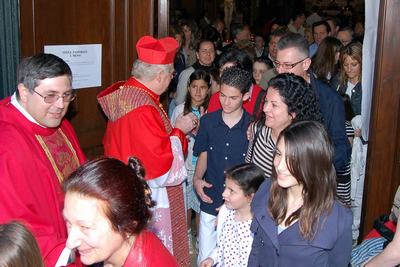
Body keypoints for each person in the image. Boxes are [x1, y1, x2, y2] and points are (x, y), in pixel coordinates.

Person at [97, 36, 196, 265]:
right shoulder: (143, 108)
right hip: (148, 193)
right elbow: (162, 168)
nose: (171, 80)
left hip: (123, 185)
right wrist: (180, 131)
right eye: (171, 75)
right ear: (160, 75)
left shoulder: (129, 92)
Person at [0, 53, 86, 266]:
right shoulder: (6, 143)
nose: (60, 105)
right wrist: (66, 251)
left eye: (67, 95)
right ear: (24, 92)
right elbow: (14, 219)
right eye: (51, 95)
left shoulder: (56, 122)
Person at [248, 121, 353, 267]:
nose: (279, 165)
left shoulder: (338, 218)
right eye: (278, 154)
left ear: (313, 162)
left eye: (292, 159)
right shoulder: (266, 191)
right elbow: (256, 251)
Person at [274, 32, 351, 205]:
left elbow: (341, 149)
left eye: (287, 65)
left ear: (306, 64)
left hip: (315, 189)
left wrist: (312, 169)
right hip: (279, 183)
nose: (280, 71)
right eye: (277, 64)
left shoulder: (329, 99)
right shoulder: (275, 91)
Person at [63, 157, 178, 267]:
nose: (70, 243)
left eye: (85, 227)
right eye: (68, 222)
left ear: (128, 227)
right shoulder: (115, 249)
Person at [193, 67, 252, 265]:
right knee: (205, 256)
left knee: (234, 258)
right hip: (211, 195)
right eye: (222, 96)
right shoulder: (208, 121)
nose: (226, 102)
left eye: (233, 98)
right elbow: (204, 153)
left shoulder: (253, 126)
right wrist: (197, 179)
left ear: (246, 95)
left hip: (239, 205)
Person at [246, 73, 322, 177]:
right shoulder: (257, 129)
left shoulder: (304, 147)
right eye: (266, 101)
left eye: (274, 105)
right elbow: (248, 171)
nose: (265, 109)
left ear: (293, 113)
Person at [170, 69, 211, 251]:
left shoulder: (210, 111)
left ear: (209, 89)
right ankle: (186, 235)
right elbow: (171, 136)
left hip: (202, 165)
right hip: (185, 164)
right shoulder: (180, 110)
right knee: (186, 203)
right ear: (188, 88)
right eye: (194, 87)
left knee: (201, 203)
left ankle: (201, 238)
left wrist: (201, 131)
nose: (198, 92)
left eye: (203, 87)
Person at [199, 163, 265, 267]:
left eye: (232, 191)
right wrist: (212, 258)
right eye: (226, 187)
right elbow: (224, 245)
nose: (224, 194)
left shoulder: (260, 227)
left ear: (251, 197)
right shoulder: (225, 212)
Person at [207, 48, 264, 119]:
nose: (224, 76)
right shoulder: (216, 98)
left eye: (229, 71)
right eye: (221, 71)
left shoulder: (263, 98)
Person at [174, 39, 216, 106]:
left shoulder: (217, 73)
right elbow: (179, 101)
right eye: (204, 51)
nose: (208, 54)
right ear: (197, 54)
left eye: (211, 51)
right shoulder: (187, 73)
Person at [337, 42, 363, 116]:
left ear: (362, 63)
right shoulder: (337, 81)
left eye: (354, 64)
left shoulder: (368, 86)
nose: (349, 69)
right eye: (345, 65)